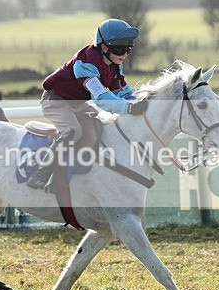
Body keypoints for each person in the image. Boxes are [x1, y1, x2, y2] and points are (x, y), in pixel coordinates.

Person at [26, 18, 148, 190]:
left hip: (77, 103)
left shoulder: (114, 64)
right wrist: (129, 107)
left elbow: (123, 92)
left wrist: (142, 101)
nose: (125, 54)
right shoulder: (85, 63)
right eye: (120, 49)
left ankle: (79, 172)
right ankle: (41, 172)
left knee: (99, 126)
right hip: (55, 101)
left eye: (128, 48)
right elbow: (101, 98)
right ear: (104, 47)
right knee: (73, 132)